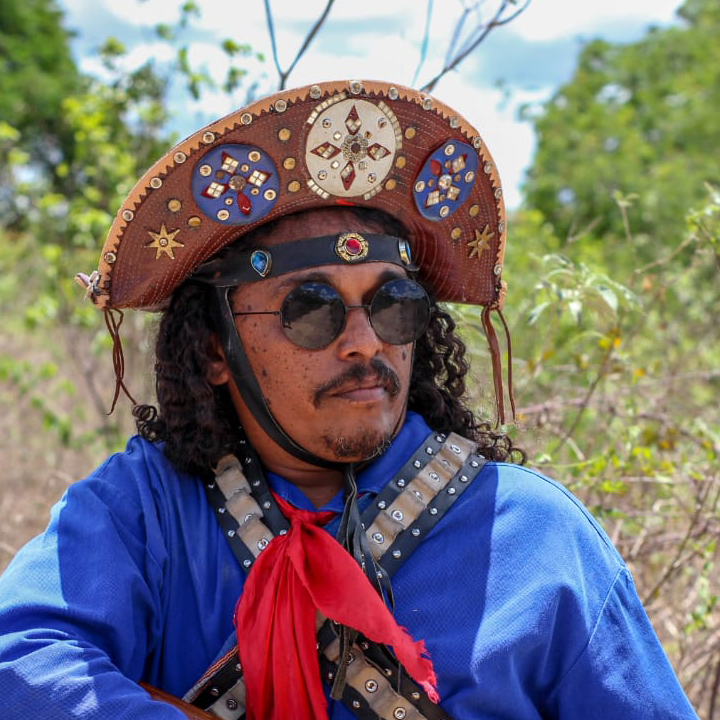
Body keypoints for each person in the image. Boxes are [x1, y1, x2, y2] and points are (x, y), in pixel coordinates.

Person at [0, 79, 699, 720]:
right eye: (311, 310)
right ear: (215, 349)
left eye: (393, 305)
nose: (365, 343)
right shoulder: (143, 509)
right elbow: (19, 663)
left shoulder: (537, 535)